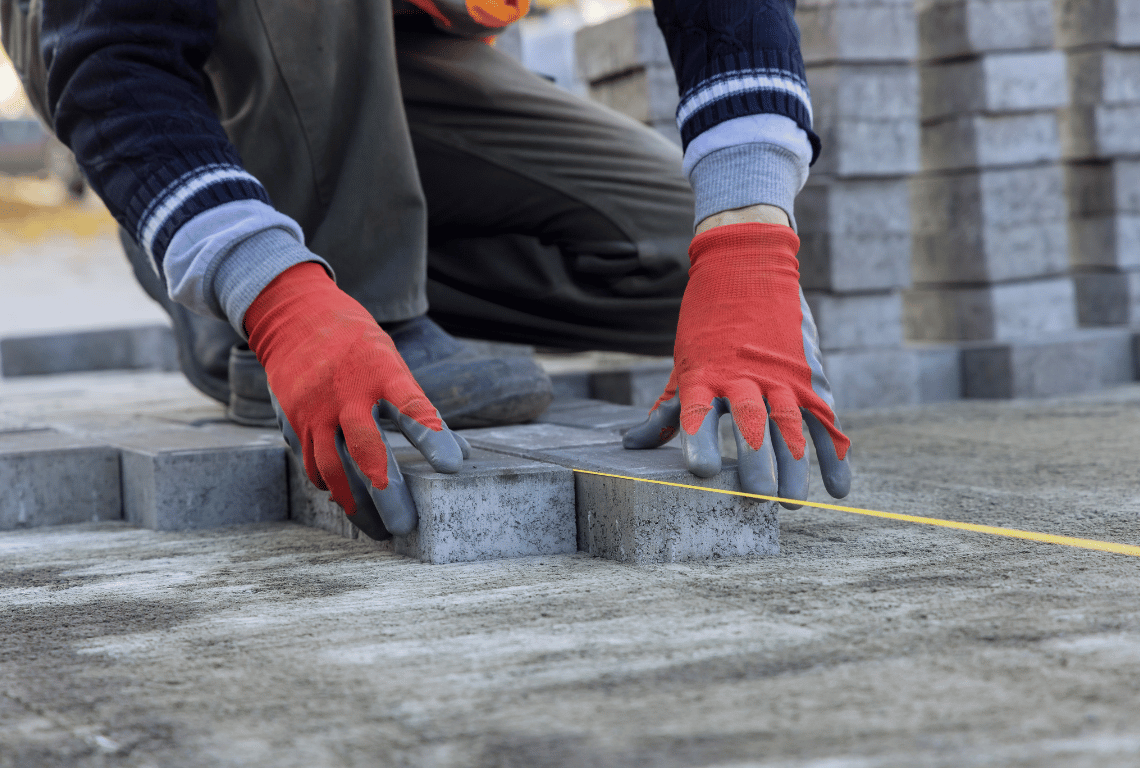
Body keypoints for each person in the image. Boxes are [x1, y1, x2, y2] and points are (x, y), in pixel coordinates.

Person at [2, 0, 851, 540]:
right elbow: (114, 56)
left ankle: (326, 272)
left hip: (397, 50)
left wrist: (747, 240)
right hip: (156, 38)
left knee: (668, 255)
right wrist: (272, 295)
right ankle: (276, 290)